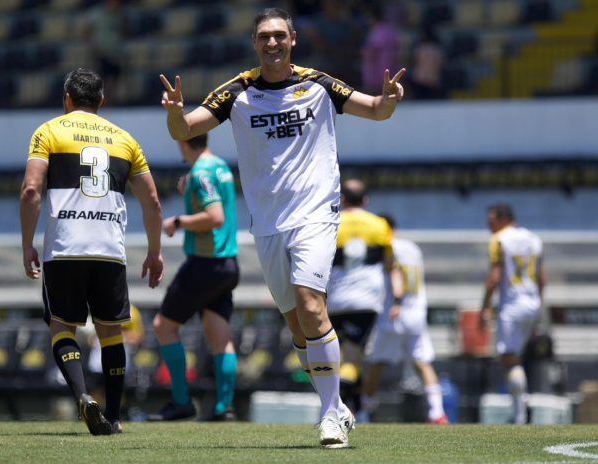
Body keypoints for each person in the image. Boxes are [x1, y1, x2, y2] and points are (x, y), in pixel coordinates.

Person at [159, 7, 404, 448]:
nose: (272, 43)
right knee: (296, 326)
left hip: (316, 214)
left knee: (311, 305)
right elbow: (186, 127)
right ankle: (337, 405)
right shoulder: (237, 91)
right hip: (269, 224)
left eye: (279, 35)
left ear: (293, 39)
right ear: (254, 42)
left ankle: (329, 415)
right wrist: (175, 112)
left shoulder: (319, 84)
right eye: (264, 37)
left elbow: (375, 110)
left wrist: (388, 99)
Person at [20, 68, 164, 435]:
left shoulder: (48, 131)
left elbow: (31, 190)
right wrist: (154, 252)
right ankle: (114, 417)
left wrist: (27, 244)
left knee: (62, 326)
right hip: (109, 248)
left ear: (67, 98)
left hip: (65, 247)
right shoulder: (125, 139)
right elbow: (152, 201)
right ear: (101, 100)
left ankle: (83, 395)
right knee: (111, 332)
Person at [147, 134, 239, 422]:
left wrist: (178, 222)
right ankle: (224, 408)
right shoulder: (219, 166)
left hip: (204, 264)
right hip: (227, 264)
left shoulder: (200, 172)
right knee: (220, 337)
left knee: (163, 326)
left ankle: (181, 401)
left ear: (182, 141)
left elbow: (215, 216)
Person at [358, 214, 448, 424]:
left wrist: (396, 301)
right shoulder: (413, 248)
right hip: (416, 311)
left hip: (393, 313)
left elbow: (395, 273)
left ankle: (363, 413)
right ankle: (437, 412)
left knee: (376, 363)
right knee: (423, 363)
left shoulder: (387, 248)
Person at [325, 179, 399, 412]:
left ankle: (352, 406)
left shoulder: (331, 223)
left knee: (342, 354)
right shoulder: (379, 225)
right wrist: (397, 299)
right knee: (353, 357)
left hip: (335, 299)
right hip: (367, 299)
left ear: (342, 199)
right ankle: (341, 407)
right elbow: (391, 265)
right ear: (365, 200)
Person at [480, 203, 546, 424]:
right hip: (532, 303)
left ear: (503, 219)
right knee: (517, 356)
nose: (488, 225)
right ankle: (522, 405)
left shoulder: (499, 239)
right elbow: (542, 278)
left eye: (491, 221)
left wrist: (485, 307)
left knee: (509, 358)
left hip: (512, 306)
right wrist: (538, 307)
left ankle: (520, 414)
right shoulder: (534, 239)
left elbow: (494, 278)